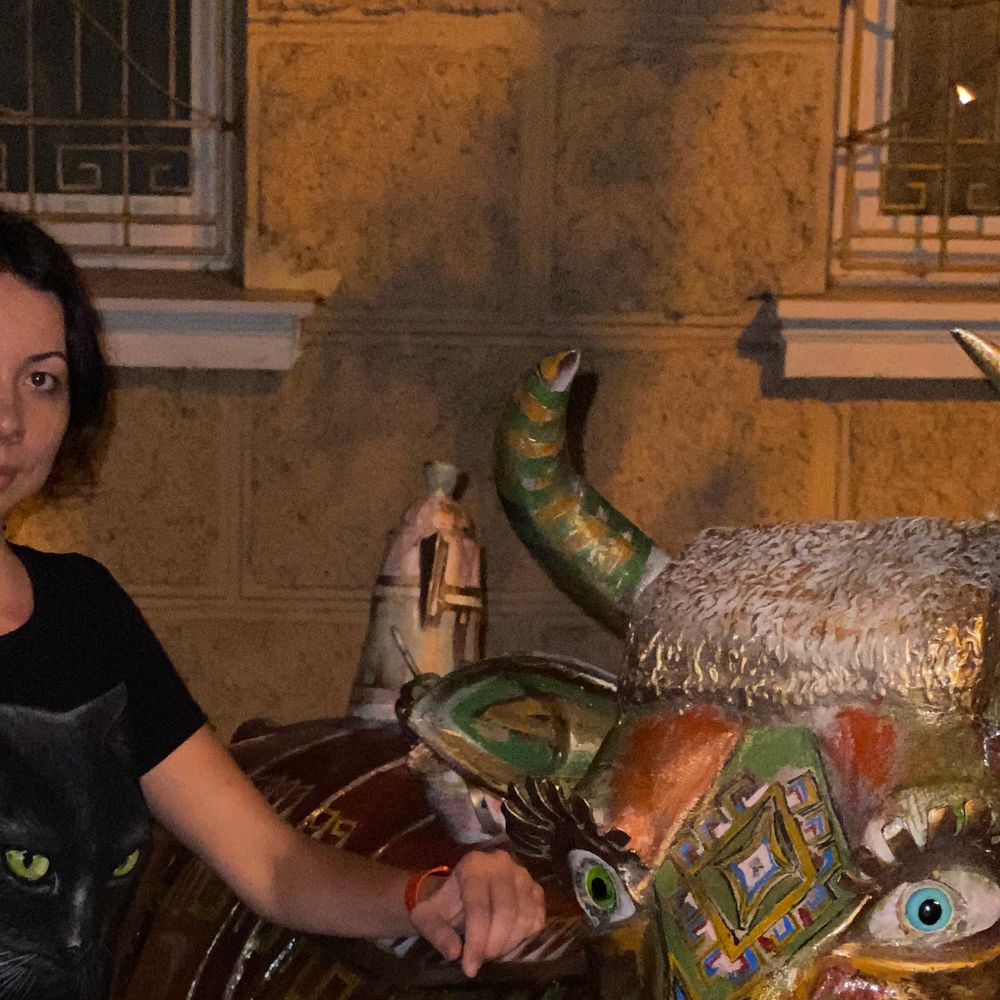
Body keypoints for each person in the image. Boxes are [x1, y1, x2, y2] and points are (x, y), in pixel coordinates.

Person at [0, 208, 545, 999]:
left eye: (41, 380)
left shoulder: (85, 613)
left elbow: (271, 865)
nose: (10, 421)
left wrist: (432, 892)